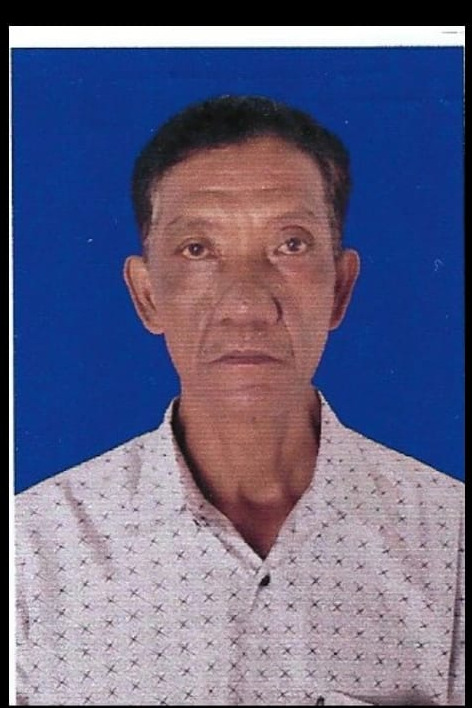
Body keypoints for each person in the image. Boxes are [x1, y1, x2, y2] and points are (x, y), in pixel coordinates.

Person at [16, 95, 464, 706]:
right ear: (147, 295)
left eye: (290, 245)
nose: (247, 305)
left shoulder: (450, 539)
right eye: (198, 249)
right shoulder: (32, 554)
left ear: (340, 288)